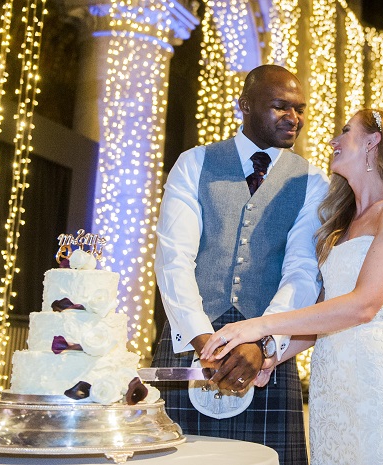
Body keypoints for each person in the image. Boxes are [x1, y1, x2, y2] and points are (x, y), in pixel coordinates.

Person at [201, 108, 383, 465]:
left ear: (373, 141)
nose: (333, 141)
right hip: (331, 382)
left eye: (345, 132)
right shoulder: (343, 223)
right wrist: (270, 356)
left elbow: (362, 306)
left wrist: (259, 325)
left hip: (378, 379)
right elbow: (324, 317)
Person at [151, 64, 328, 465]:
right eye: (280, 106)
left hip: (265, 353)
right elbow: (174, 258)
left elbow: (301, 270)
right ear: (244, 106)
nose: (294, 118)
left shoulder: (312, 181)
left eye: (300, 109)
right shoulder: (195, 163)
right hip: (188, 343)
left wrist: (262, 341)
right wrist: (203, 342)